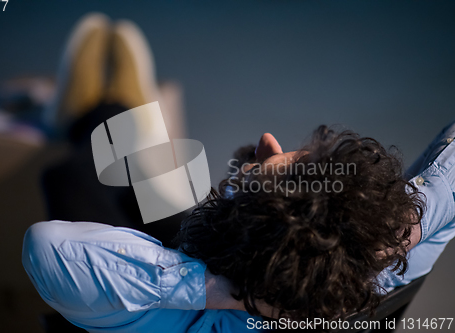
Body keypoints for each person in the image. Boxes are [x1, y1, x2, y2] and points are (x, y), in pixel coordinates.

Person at [22, 13, 455, 333]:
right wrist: (395, 228)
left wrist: (237, 291)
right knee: (157, 186)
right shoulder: (383, 267)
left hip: (151, 296)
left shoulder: (185, 320)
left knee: (72, 180)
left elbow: (49, 249)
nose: (268, 143)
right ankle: (121, 114)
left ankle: (99, 110)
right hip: (234, 266)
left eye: (258, 178)